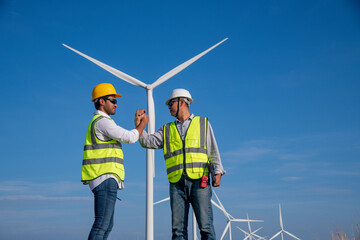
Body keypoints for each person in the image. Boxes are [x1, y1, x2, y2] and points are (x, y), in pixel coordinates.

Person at [138, 88, 225, 240]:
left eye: (171, 103)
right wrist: (139, 125)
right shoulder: (166, 129)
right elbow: (148, 141)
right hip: (176, 184)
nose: (169, 107)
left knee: (206, 227)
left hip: (200, 181)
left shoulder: (202, 123)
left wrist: (217, 172)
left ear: (182, 102)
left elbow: (212, 150)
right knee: (178, 231)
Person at [82, 83, 149, 240]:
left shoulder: (99, 122)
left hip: (103, 178)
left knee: (107, 225)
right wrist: (143, 124)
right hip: (104, 177)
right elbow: (130, 137)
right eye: (112, 100)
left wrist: (137, 124)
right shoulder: (102, 122)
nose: (116, 104)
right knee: (102, 225)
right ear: (101, 101)